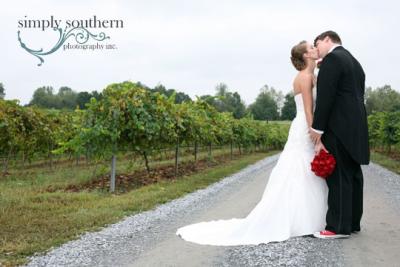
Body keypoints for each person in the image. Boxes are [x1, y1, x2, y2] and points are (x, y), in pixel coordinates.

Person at [175, 40, 329, 246]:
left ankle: (308, 217)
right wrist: (315, 135)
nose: (314, 49)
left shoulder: (313, 75)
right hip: (304, 126)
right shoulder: (305, 77)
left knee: (302, 168)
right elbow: (309, 110)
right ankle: (298, 219)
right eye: (311, 48)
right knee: (298, 167)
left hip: (304, 124)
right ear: (305, 56)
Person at [310, 31, 369, 239]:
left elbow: (326, 97)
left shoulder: (333, 59)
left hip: (338, 127)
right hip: (356, 127)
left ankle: (337, 228)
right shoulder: (354, 61)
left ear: (328, 39)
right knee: (353, 175)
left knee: (339, 176)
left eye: (317, 44)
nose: (317, 50)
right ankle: (352, 223)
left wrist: (317, 129)